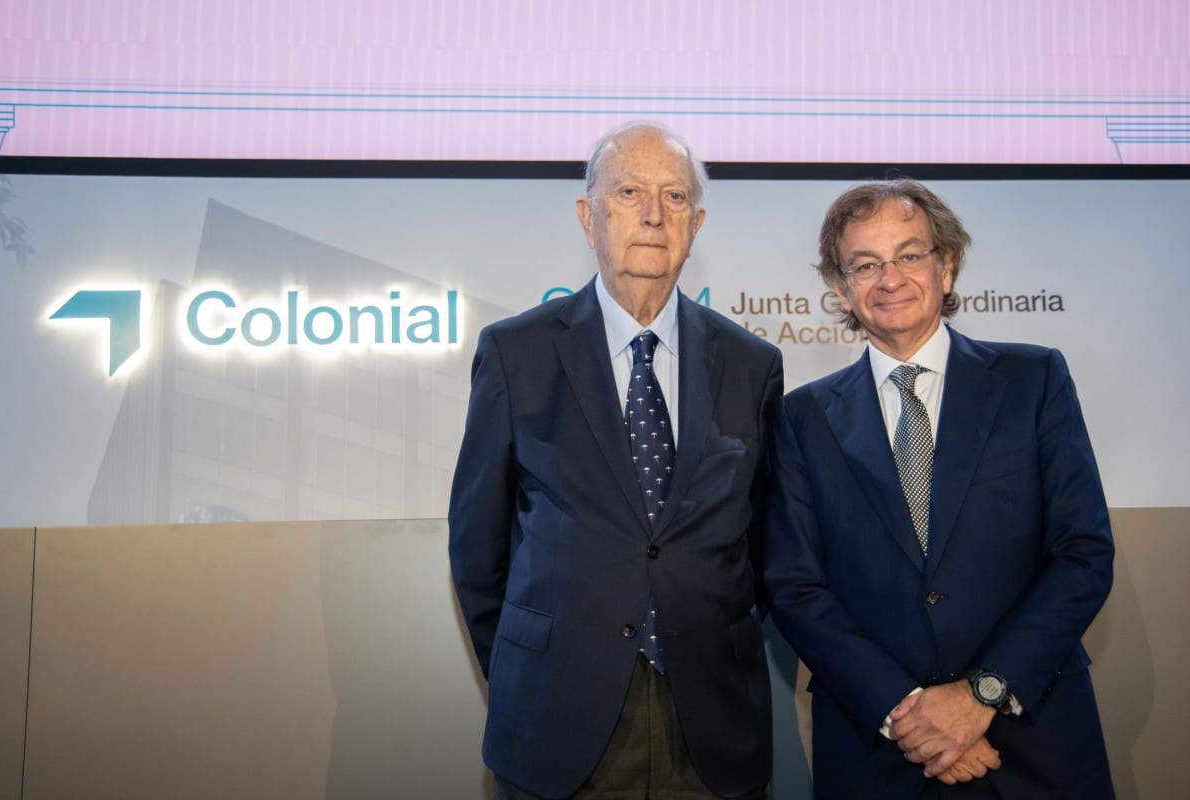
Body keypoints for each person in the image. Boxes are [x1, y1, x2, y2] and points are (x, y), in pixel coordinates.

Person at [448, 122, 782, 799]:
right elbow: (478, 550)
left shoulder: (752, 364)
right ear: (587, 216)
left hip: (714, 722)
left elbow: (768, 546)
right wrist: (530, 668)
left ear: (696, 223)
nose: (654, 215)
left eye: (675, 197)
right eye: (629, 192)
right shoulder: (517, 353)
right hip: (557, 719)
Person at [763, 179, 1115, 799]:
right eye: (865, 264)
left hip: (1031, 741)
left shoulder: (1034, 379)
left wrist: (979, 696)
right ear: (841, 288)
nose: (889, 278)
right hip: (879, 750)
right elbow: (795, 587)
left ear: (946, 266)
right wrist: (913, 716)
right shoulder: (800, 417)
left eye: (909, 255)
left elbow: (1082, 554)